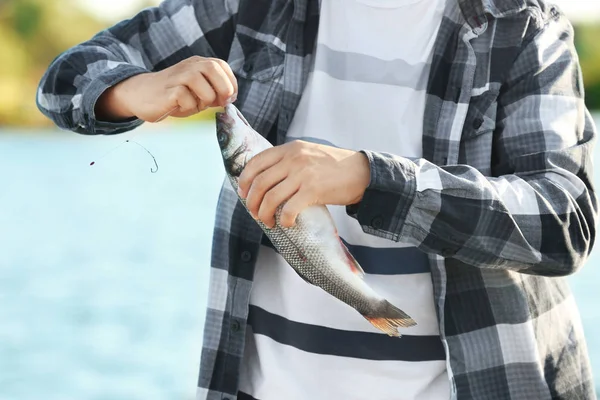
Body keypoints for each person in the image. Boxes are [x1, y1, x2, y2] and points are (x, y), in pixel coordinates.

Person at [37, 0, 598, 398]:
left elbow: (564, 222)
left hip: (479, 382)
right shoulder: (251, 7)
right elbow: (62, 82)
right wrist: (132, 90)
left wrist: (370, 179)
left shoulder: (525, 27)